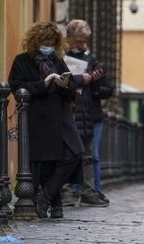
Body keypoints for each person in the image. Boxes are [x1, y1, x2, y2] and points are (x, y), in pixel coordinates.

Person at [8, 22, 84, 219]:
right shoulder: (22, 61)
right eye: (44, 42)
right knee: (46, 162)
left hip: (60, 118)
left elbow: (72, 88)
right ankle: (53, 204)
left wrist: (64, 84)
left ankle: (46, 197)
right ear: (35, 41)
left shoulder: (58, 60)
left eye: (51, 42)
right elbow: (16, 87)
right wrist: (44, 83)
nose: (48, 45)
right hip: (37, 118)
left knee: (74, 153)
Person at [62, 19, 113, 207]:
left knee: (90, 155)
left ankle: (90, 190)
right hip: (69, 111)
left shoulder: (93, 61)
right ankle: (68, 191)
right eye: (77, 41)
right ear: (69, 38)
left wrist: (95, 83)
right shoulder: (62, 59)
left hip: (89, 114)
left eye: (83, 41)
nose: (80, 45)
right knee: (67, 153)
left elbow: (108, 90)